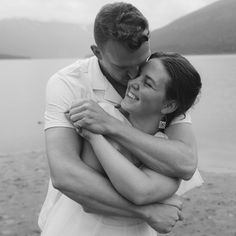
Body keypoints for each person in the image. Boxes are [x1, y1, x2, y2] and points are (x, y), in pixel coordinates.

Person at [39, 2, 201, 235]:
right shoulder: (67, 83)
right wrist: (146, 212)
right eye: (123, 67)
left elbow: (184, 163)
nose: (134, 75)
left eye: (141, 63)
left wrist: (109, 125)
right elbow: (65, 174)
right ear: (97, 53)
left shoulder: (161, 79)